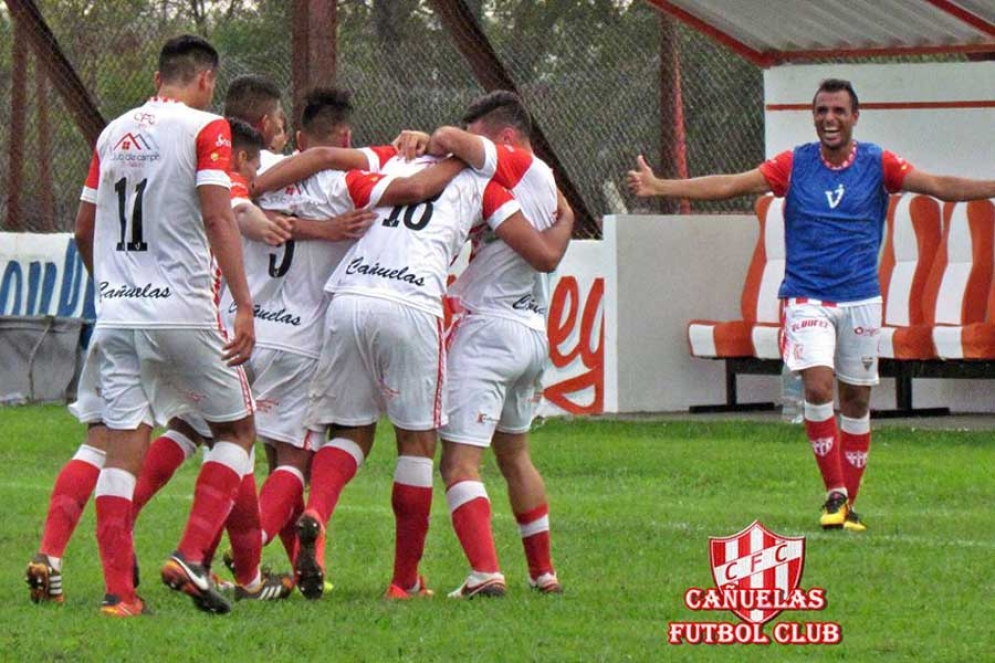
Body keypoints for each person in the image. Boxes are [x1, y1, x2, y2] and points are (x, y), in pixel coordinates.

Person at [627, 78, 995, 532]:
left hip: (860, 298)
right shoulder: (794, 164)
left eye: (838, 111)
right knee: (819, 388)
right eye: (821, 111)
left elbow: (938, 184)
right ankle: (834, 493)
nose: (829, 119)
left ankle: (847, 506)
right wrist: (661, 187)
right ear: (814, 117)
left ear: (854, 117)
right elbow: (732, 185)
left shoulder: (879, 163)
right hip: (805, 297)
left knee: (857, 399)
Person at [76, 34, 264, 617]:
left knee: (121, 448)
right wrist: (242, 302)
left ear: (159, 78)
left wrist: (112, 286)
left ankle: (119, 595)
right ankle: (189, 554)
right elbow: (217, 214)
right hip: (181, 310)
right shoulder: (207, 129)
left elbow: (84, 228)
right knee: (236, 432)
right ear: (206, 81)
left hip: (118, 314)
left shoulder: (111, 133)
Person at [417, 91, 572, 598]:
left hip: (488, 328)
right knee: (516, 456)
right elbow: (548, 248)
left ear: (506, 138)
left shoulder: (519, 164)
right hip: (529, 333)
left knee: (459, 461)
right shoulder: (540, 188)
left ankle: (485, 571)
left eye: (483, 140)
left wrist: (443, 142)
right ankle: (542, 572)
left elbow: (448, 138)